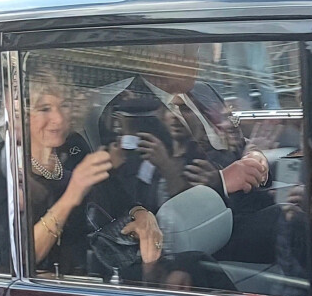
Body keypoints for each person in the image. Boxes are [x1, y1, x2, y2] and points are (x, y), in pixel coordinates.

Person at [93, 44, 283, 266]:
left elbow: (237, 143)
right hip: (207, 232)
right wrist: (220, 182)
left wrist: (255, 155)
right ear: (156, 59)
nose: (196, 63)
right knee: (290, 222)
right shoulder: (127, 112)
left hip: (252, 202)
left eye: (196, 54)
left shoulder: (204, 91)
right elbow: (145, 198)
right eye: (187, 55)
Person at [0, 70, 110, 273]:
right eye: (45, 109)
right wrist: (71, 196)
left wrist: (137, 213)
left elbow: (108, 193)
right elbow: (16, 258)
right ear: (21, 116)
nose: (59, 119)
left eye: (64, 106)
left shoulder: (73, 146)